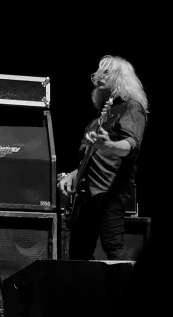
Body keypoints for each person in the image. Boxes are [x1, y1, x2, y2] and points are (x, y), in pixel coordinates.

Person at [59, 55, 147, 260]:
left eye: (107, 72)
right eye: (99, 71)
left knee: (113, 248)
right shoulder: (97, 121)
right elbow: (91, 157)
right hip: (88, 196)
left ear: (121, 78)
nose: (99, 75)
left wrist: (109, 144)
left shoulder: (131, 107)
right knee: (78, 253)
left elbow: (130, 145)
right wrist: (71, 175)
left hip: (110, 192)